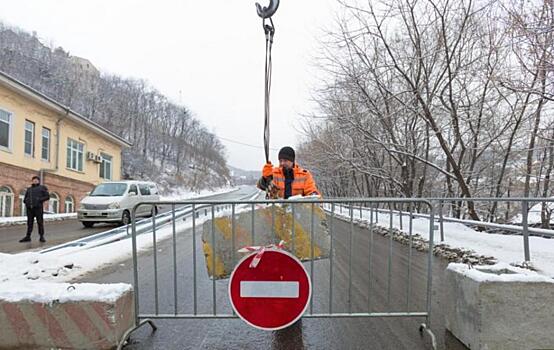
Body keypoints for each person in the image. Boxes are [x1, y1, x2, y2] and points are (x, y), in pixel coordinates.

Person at [19, 176, 50, 243]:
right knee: (29, 223)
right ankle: (28, 236)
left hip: (38, 208)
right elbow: (25, 197)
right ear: (32, 181)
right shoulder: (29, 189)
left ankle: (41, 236)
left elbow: (47, 197)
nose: (35, 181)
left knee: (40, 222)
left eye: (36, 180)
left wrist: (39, 200)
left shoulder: (42, 188)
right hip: (30, 208)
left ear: (38, 181)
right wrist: (26, 201)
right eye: (34, 180)